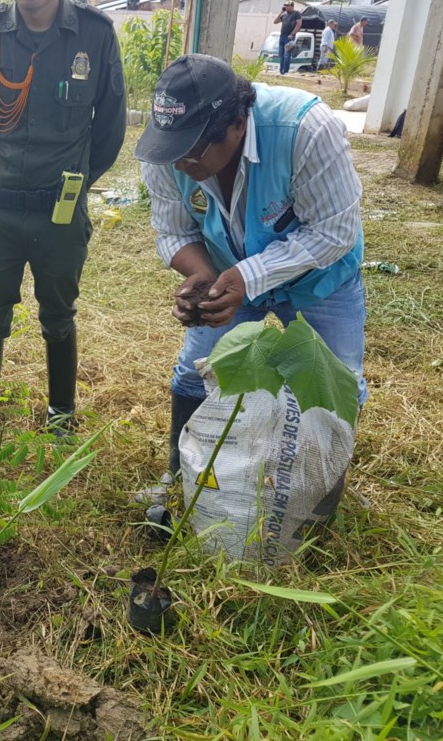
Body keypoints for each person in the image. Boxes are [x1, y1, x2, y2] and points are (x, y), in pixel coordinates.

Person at [134, 54, 367, 487]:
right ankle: (181, 478)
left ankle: (318, 491)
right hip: (230, 277)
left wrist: (248, 277)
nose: (180, 163)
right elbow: (171, 230)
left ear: (238, 124)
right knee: (195, 371)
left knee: (336, 381)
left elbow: (334, 231)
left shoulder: (305, 130)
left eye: (192, 151)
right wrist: (202, 276)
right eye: (172, 150)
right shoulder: (168, 152)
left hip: (321, 278)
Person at [0, 0, 126, 452]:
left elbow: (110, 127)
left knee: (59, 316)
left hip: (60, 213)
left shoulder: (95, 35)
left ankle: (60, 420)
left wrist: (74, 184)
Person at [273, 1, 302, 75]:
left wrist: (292, 34)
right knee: (281, 54)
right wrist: (281, 12)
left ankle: (285, 71)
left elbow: (299, 24)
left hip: (289, 37)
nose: (286, 7)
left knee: (287, 54)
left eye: (287, 6)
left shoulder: (296, 13)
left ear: (292, 6)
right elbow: (275, 21)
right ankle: (281, 70)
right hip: (282, 36)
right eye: (285, 6)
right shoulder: (284, 14)